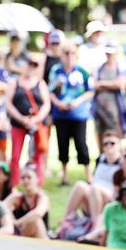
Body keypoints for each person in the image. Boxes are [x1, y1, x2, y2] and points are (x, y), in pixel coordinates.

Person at [49, 39, 94, 184]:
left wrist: (78, 101)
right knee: (62, 145)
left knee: (81, 144)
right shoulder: (56, 71)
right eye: (66, 53)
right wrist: (58, 103)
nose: (69, 57)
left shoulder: (81, 71)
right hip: (61, 114)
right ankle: (64, 174)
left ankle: (88, 175)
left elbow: (90, 91)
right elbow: (49, 91)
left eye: (72, 53)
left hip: (78, 114)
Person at [62, 131, 122, 230]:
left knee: (95, 188)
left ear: (119, 145)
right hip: (93, 196)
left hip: (110, 199)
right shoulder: (100, 160)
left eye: (112, 143)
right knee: (80, 185)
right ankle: (63, 225)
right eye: (105, 144)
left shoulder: (123, 162)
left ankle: (95, 228)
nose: (109, 146)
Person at [6, 57, 51, 186]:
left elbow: (46, 104)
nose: (31, 68)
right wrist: (21, 118)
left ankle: (37, 181)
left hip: (37, 124)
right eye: (29, 65)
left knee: (38, 154)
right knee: (15, 155)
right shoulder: (15, 83)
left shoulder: (40, 83)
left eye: (34, 66)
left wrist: (35, 119)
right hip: (18, 123)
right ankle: (14, 182)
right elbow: (8, 103)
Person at [91, 41, 126, 143]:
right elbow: (94, 85)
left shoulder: (121, 66)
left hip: (115, 109)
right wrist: (109, 84)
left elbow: (120, 84)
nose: (109, 56)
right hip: (100, 108)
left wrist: (102, 84)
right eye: (107, 53)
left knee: (116, 135)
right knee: (100, 134)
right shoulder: (100, 67)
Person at [4, 166, 50, 238]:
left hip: (40, 236)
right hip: (22, 235)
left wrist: (17, 222)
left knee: (35, 221)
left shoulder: (42, 197)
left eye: (29, 177)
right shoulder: (17, 198)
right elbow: (1, 207)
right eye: (23, 178)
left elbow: (38, 213)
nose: (25, 181)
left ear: (37, 179)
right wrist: (10, 217)